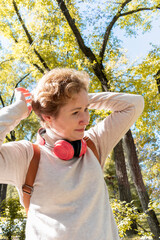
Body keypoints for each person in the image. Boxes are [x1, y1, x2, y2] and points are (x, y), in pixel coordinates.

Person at [0, 68, 144, 240]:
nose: (86, 119)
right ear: (47, 117)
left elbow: (134, 104)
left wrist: (80, 98)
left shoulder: (94, 143)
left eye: (86, 109)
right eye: (75, 112)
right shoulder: (26, 157)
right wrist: (18, 109)